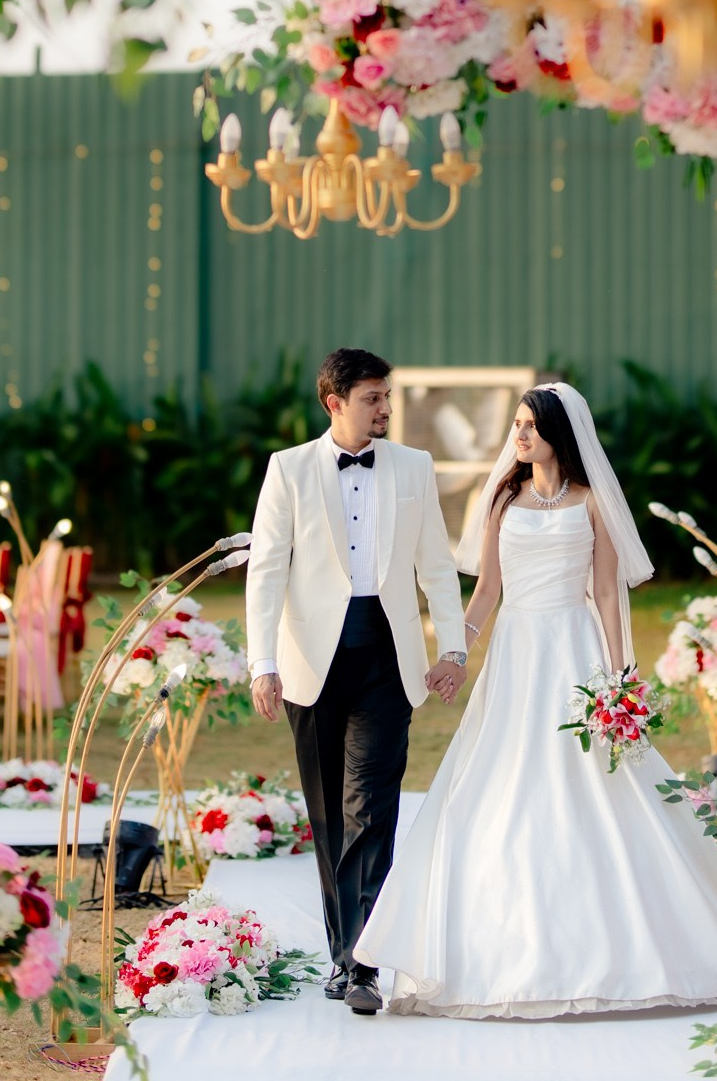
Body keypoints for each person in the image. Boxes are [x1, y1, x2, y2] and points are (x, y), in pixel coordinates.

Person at [355, 381, 717, 1018]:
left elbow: (607, 593)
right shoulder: (502, 499)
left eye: (530, 426)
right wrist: (456, 654)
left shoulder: (591, 503)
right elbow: (486, 593)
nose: (519, 436)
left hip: (576, 652)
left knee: (596, 781)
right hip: (517, 654)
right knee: (504, 779)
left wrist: (620, 679)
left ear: (559, 433)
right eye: (517, 425)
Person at [244, 346, 467, 1016]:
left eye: (386, 396)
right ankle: (343, 952)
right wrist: (262, 663)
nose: (384, 408)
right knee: (328, 815)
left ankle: (362, 963)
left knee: (371, 808)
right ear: (333, 402)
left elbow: (436, 565)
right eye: (372, 398)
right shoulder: (287, 470)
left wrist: (453, 647)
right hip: (310, 665)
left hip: (387, 660)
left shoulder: (413, 467)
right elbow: (266, 571)